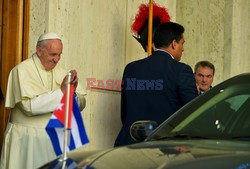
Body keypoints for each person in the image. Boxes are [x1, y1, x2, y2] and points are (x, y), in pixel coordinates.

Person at [0, 32, 86, 169]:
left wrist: (72, 93)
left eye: (59, 55)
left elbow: (82, 102)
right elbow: (29, 107)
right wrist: (63, 92)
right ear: (39, 51)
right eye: (53, 54)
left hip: (54, 141)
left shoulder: (63, 72)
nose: (56, 59)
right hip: (26, 141)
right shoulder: (21, 71)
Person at [114, 22, 198, 147]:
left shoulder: (131, 69)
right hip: (164, 150)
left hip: (129, 145)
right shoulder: (181, 71)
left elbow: (125, 113)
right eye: (182, 43)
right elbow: (193, 113)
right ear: (174, 44)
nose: (183, 49)